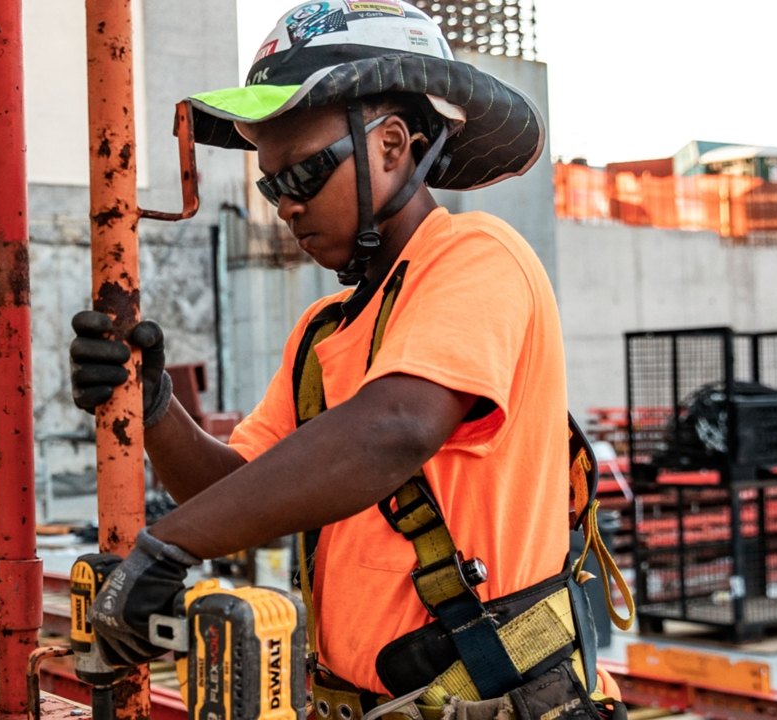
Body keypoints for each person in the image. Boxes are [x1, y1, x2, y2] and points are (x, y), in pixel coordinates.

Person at [70, 2, 627, 718]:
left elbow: (395, 428)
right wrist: (157, 411)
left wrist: (166, 548)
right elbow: (241, 493)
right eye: (272, 188)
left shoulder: (477, 258)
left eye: (302, 177)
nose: (285, 209)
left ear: (392, 146)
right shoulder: (324, 332)